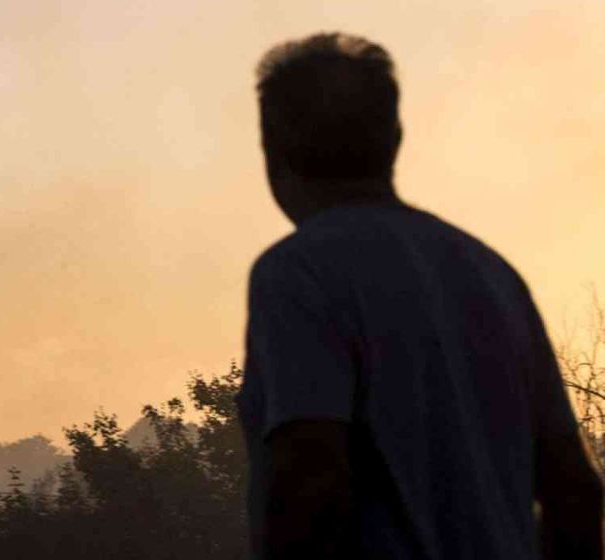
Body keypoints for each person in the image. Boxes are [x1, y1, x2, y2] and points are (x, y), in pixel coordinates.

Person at [239, 32, 602, 559]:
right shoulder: (491, 274)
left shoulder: (296, 273)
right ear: (396, 137)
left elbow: (310, 483)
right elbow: (576, 493)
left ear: (273, 149)